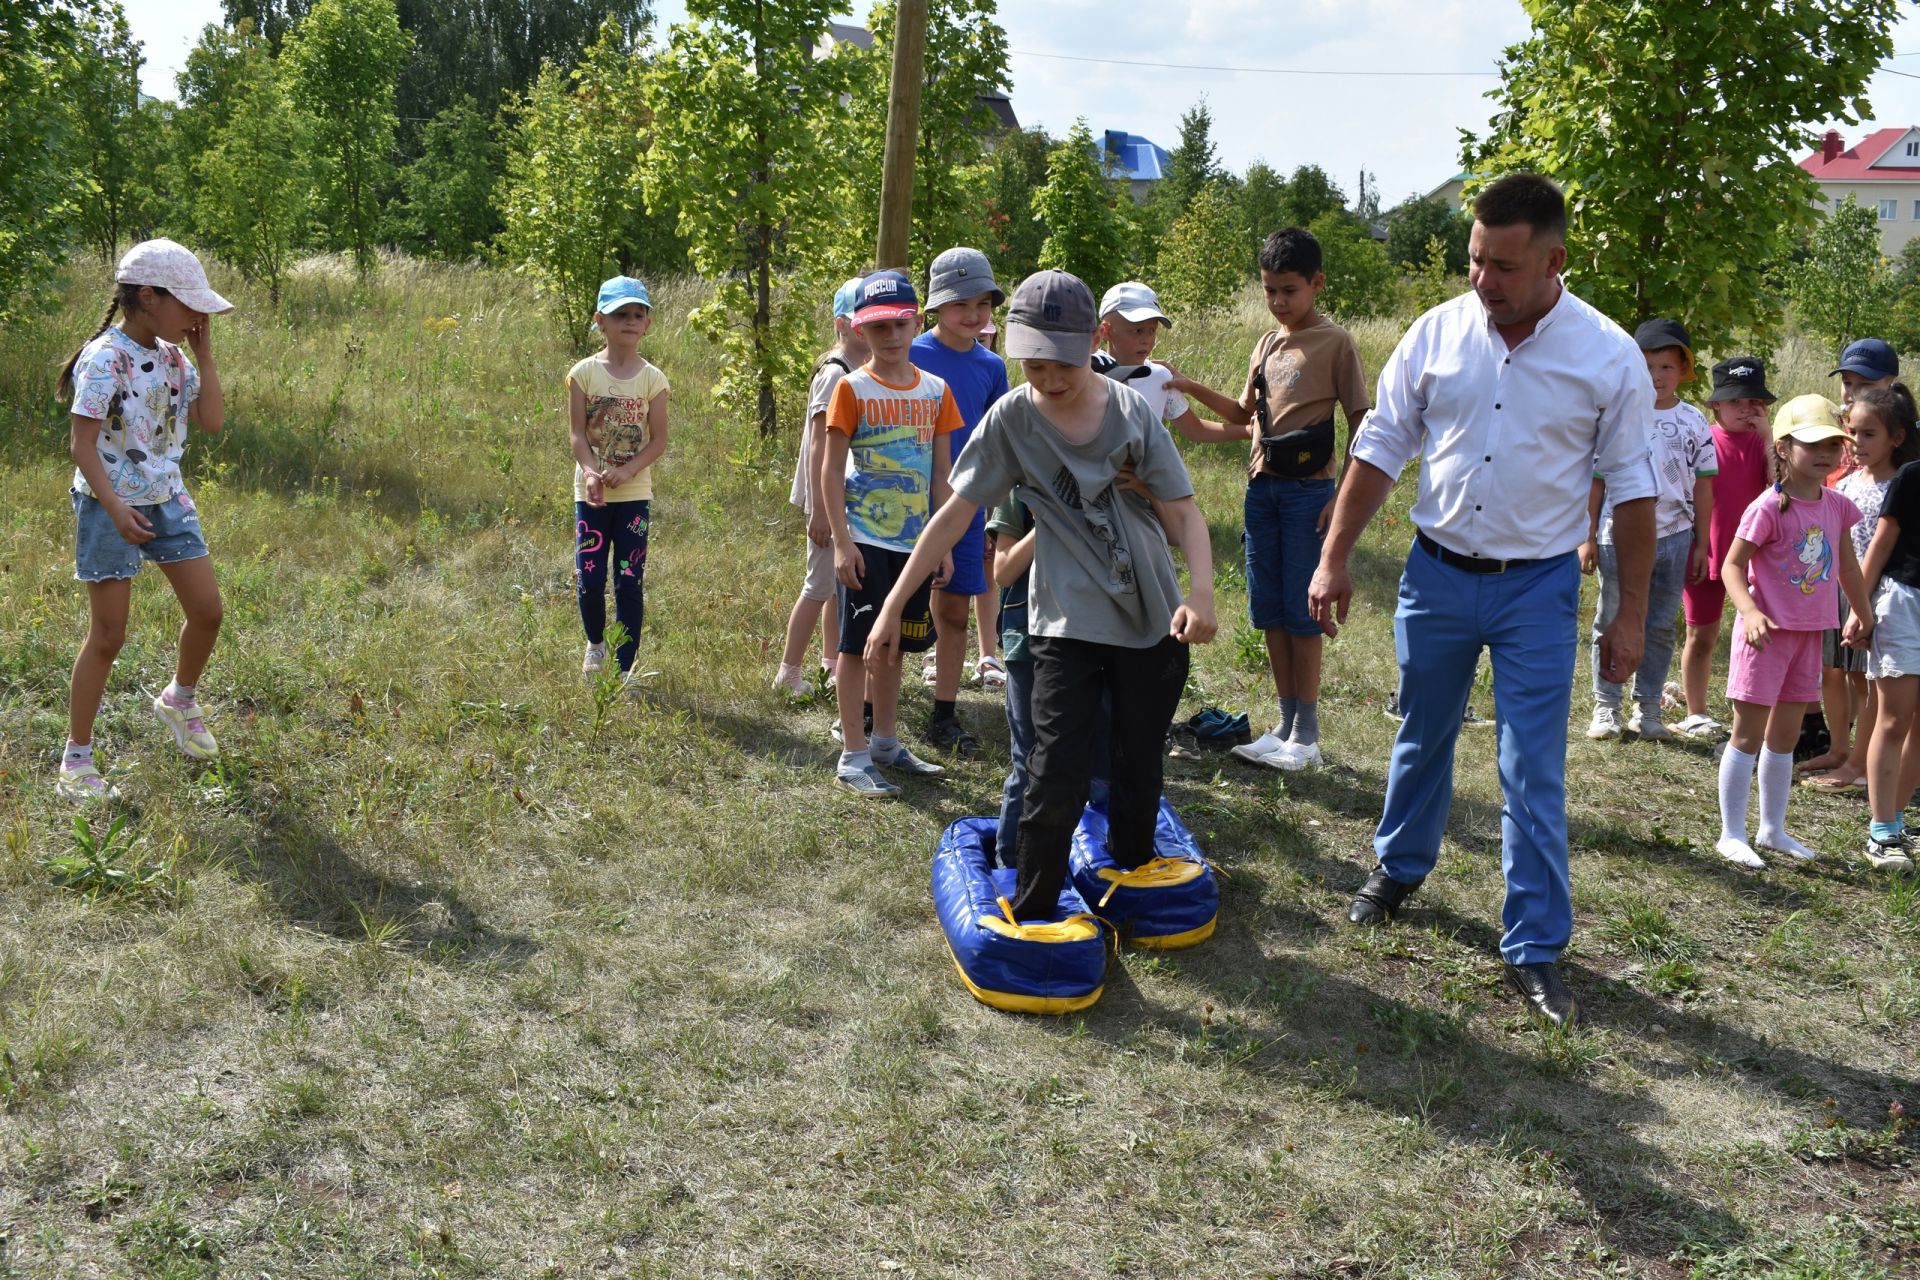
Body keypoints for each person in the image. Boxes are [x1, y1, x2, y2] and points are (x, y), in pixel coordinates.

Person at [1307, 174, 1657, 1029]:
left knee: (1531, 767)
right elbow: (1382, 443)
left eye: (1502, 265)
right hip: (1435, 575)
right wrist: (1334, 556)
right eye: (1474, 259)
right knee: (1421, 731)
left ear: (1554, 260)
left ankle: (1535, 947)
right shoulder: (1437, 332)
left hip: (1537, 588)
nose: (1482, 279)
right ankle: (1398, 867)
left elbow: (1635, 487)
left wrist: (1630, 611)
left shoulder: (1608, 356)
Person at [865, 269, 1218, 920]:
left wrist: (1201, 593)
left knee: (1136, 763)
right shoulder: (1013, 419)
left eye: (1062, 365)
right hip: (1064, 624)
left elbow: (1185, 513)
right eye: (1034, 366)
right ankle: (1031, 909)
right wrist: (893, 604)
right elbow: (953, 514)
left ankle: (1134, 875)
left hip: (1149, 619)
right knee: (1052, 772)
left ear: (1091, 344)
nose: (1049, 381)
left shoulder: (1134, 413)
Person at [1164, 230, 1372, 771]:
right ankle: (1283, 725)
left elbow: (1362, 426)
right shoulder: (1266, 342)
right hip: (1262, 490)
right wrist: (1187, 386)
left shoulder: (1336, 343)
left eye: (1288, 290)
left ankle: (1308, 734)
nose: (1279, 302)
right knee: (1271, 610)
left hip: (1309, 493)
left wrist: (1342, 496)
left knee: (1304, 613)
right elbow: (1240, 415)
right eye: (1269, 291)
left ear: (1316, 284)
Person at [56, 239, 231, 801]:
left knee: (207, 611)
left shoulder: (177, 357)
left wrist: (205, 357)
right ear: (149, 297)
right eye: (188, 305)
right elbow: (82, 445)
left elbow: (211, 423)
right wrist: (113, 506)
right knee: (108, 634)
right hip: (108, 503)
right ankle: (76, 759)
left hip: (166, 497)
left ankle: (179, 699)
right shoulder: (105, 358)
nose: (197, 317)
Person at [820, 270, 959, 796]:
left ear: (916, 321)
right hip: (864, 538)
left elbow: (942, 475)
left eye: (900, 323)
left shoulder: (936, 391)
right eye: (878, 327)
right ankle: (853, 753)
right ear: (860, 330)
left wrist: (940, 544)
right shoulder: (850, 389)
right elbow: (831, 471)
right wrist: (842, 541)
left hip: (915, 542)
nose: (891, 336)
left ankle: (885, 740)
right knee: (856, 647)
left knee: (896, 642)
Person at [1716, 395, 1869, 868]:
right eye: (1812, 443)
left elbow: (1846, 565)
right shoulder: (1768, 508)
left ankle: (1772, 829)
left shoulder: (1838, 506)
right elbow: (1732, 567)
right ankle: (1731, 833)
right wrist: (1751, 612)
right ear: (1783, 448)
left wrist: (1863, 612)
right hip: (1765, 638)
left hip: (1810, 636)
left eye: (1832, 443)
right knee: (1747, 735)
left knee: (1784, 738)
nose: (1825, 453)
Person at [1580, 318, 1715, 741]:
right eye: (1648, 366)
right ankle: (1606, 706)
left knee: (1658, 624)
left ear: (1683, 371)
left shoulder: (1694, 421)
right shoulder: (1618, 416)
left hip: (1676, 537)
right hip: (1616, 535)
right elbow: (1596, 481)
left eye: (1667, 368)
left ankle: (1649, 707)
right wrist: (1586, 536)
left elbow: (1705, 485)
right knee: (1612, 617)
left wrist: (1701, 542)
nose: (1656, 377)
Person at [911, 247, 1012, 746]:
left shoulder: (993, 366)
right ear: (935, 307)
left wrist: (994, 511)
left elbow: (999, 442)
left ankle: (944, 715)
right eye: (960, 304)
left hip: (966, 505)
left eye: (983, 304)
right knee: (888, 601)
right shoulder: (908, 352)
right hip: (904, 501)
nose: (973, 314)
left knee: (953, 611)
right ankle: (865, 707)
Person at [1806, 382, 1918, 793]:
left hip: (1876, 595)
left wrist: (1864, 605)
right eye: (1851, 432)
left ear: (1897, 438)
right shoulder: (1848, 483)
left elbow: (1885, 548)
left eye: (1868, 434)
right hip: (1834, 592)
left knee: (1870, 684)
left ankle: (1859, 763)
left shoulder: (1901, 484)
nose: (1856, 442)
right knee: (1834, 673)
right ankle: (1840, 749)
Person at [569, 276, 669, 688]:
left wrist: (628, 471)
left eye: (637, 314)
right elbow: (577, 434)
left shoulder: (653, 379)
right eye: (619, 315)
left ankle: (625, 668)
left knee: (629, 579)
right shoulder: (583, 374)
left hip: (634, 496)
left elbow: (659, 439)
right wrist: (592, 473)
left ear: (647, 324)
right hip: (590, 495)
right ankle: (595, 643)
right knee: (590, 577)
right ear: (600, 321)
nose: (629, 321)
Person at [1673, 358, 1777, 740]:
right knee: (1701, 635)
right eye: (1736, 402)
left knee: (1761, 635)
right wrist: (1698, 544)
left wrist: (1767, 436)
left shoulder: (1766, 444)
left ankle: (1756, 710)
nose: (1746, 410)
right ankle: (1696, 712)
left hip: (1756, 555)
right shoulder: (1703, 440)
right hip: (1707, 550)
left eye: (1754, 402)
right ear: (1714, 404)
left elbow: (1781, 486)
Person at [773, 277, 867, 699]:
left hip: (846, 496)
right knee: (818, 585)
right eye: (859, 319)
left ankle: (831, 662)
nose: (867, 327)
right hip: (826, 500)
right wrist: (820, 510)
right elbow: (817, 445)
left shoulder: (863, 371)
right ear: (841, 324)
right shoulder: (835, 373)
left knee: (837, 586)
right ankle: (788, 672)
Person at [1848, 387, 1920, 871]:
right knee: (1893, 718)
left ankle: (1897, 818)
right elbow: (1881, 541)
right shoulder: (1913, 477)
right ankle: (1881, 832)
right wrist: (1861, 608)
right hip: (1904, 601)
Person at [1094, 280, 1250, 448]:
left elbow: (1195, 429)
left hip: (1144, 473)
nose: (1146, 340)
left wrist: (1250, 431)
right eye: (1137, 331)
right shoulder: (1087, 372)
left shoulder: (1160, 378)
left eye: (1152, 330)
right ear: (1107, 332)